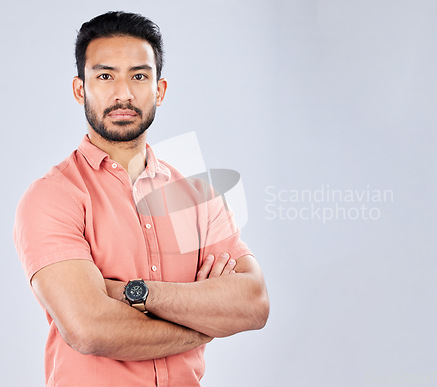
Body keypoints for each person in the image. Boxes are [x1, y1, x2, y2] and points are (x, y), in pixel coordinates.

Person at [13, 11, 269, 387]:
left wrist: (134, 294)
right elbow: (90, 328)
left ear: (159, 90)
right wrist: (201, 324)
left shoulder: (198, 198)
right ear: (79, 89)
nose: (124, 94)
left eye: (139, 76)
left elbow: (253, 304)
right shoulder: (53, 197)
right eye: (105, 76)